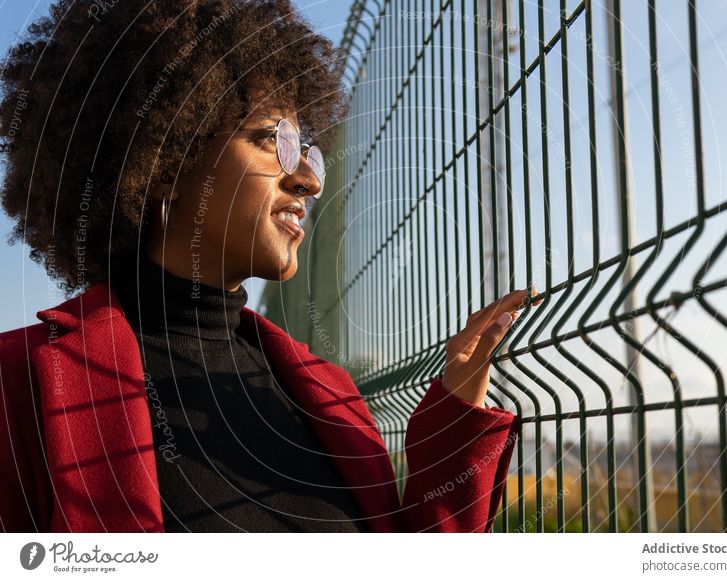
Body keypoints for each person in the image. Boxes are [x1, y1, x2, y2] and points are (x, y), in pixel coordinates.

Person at [0, 0, 537, 533]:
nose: (309, 178)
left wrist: (460, 412)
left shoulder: (330, 392)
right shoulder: (20, 382)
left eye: (309, 149)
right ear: (166, 160)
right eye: (273, 140)